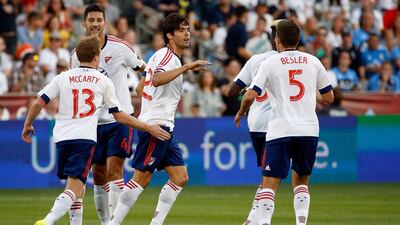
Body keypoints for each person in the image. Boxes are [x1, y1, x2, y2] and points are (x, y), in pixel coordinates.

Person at [24, 36, 170, 225]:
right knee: (75, 187)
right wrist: (148, 127)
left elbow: (38, 102)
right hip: (84, 138)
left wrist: (27, 125)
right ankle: (48, 219)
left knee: (76, 185)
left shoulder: (62, 77)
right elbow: (120, 116)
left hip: (61, 138)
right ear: (96, 57)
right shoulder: (103, 81)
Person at [109, 12, 210, 225]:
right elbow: (155, 79)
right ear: (170, 35)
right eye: (181, 30)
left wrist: (150, 101)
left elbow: (140, 86)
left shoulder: (165, 57)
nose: (187, 33)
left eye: (188, 29)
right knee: (141, 179)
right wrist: (186, 67)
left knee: (180, 177)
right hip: (156, 125)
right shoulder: (166, 56)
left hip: (164, 125)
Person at [235, 19, 334, 225]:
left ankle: (263, 222)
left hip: (280, 129)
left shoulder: (270, 62)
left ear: (277, 40)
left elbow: (250, 96)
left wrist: (241, 111)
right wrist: (308, 92)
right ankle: (301, 223)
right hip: (308, 129)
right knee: (301, 180)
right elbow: (329, 97)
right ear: (298, 40)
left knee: (270, 182)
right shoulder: (313, 61)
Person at [69, 4, 146, 225]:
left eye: (98, 20)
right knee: (99, 176)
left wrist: (142, 91)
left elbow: (145, 69)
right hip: (93, 123)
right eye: (91, 20)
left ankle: (114, 223)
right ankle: (105, 222)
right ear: (84, 23)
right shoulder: (77, 55)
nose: (95, 24)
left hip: (119, 119)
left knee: (115, 171)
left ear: (105, 22)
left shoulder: (121, 48)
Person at [228, 19, 281, 225]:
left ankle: (252, 219)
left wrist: (245, 89)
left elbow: (230, 91)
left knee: (266, 176)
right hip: (278, 126)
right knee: (272, 178)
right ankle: (256, 220)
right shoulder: (294, 62)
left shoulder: (256, 60)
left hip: (256, 124)